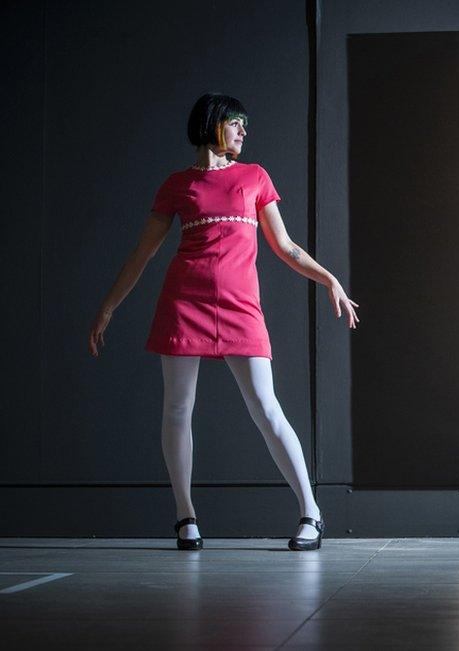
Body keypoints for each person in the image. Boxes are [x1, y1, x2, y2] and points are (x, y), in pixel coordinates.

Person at [88, 93, 358, 551]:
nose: (244, 132)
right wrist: (109, 307)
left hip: (240, 306)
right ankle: (185, 517)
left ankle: (311, 513)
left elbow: (286, 247)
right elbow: (143, 252)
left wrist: (329, 278)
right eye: (237, 123)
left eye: (245, 126)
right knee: (177, 409)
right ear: (214, 124)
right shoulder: (178, 184)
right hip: (184, 301)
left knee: (266, 407)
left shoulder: (254, 177)